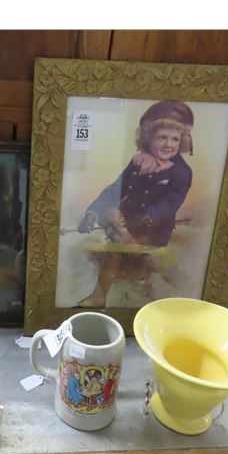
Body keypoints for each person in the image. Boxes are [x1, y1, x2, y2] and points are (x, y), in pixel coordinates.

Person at [76, 101, 194, 307]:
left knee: (117, 249)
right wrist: (92, 212)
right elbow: (116, 188)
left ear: (183, 141)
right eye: (162, 137)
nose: (168, 144)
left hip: (153, 228)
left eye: (175, 139)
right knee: (115, 238)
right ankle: (102, 293)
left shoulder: (181, 172)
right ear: (148, 137)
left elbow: (171, 202)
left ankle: (106, 292)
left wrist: (149, 216)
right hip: (128, 220)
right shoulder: (138, 162)